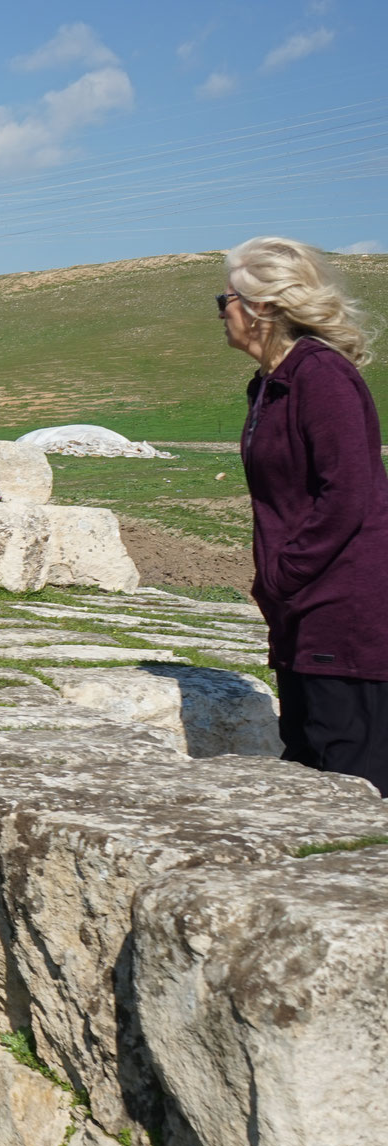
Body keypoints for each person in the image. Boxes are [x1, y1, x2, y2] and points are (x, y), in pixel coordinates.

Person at [223, 236, 387, 792]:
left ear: (260, 308)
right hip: (299, 612)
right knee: (306, 774)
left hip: (343, 615)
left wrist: (282, 573)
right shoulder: (272, 385)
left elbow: (348, 495)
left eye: (224, 301)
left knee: (351, 782)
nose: (221, 315)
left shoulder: (323, 377)